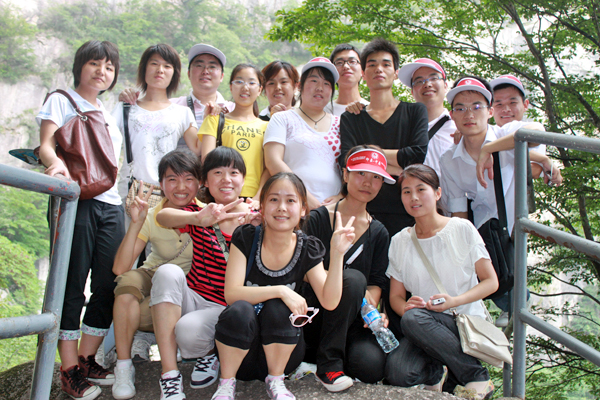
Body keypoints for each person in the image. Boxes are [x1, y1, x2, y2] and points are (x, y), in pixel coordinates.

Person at [210, 172, 355, 400]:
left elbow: (330, 301)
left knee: (279, 308)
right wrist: (281, 290)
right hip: (240, 353)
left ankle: (276, 381)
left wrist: (337, 254)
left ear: (303, 209)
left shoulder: (308, 247)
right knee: (240, 309)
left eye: (290, 200)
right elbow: (232, 294)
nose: (281, 208)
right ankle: (226, 383)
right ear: (262, 206)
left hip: (284, 355)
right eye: (274, 199)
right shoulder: (246, 237)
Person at [37, 40, 124, 400]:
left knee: (109, 281)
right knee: (72, 282)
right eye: (94, 63)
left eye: (109, 66)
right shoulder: (61, 100)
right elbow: (46, 144)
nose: (102, 71)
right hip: (78, 200)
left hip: (112, 203)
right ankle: (69, 368)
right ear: (80, 67)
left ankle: (87, 359)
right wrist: (55, 165)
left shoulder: (108, 110)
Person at [385, 164, 498, 399]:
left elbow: (490, 282)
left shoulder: (461, 228)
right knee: (398, 373)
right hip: (423, 326)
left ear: (437, 193)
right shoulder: (399, 241)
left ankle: (476, 375)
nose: (414, 197)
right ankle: (438, 374)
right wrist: (405, 307)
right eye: (406, 191)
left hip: (462, 321)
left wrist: (453, 301)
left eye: (421, 189)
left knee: (414, 319)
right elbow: (395, 296)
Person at [152, 147, 255, 400]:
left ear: (244, 179)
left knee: (188, 332)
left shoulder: (254, 217)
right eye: (217, 172)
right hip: (194, 297)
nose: (226, 179)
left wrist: (258, 226)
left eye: (234, 172)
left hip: (225, 307)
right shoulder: (202, 212)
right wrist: (199, 218)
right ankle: (170, 376)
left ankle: (210, 352)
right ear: (205, 182)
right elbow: (163, 216)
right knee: (166, 273)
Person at [110, 151, 201, 400]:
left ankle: (162, 348)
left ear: (199, 183)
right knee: (127, 283)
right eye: (172, 179)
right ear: (161, 183)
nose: (180, 187)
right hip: (153, 275)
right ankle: (123, 366)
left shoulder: (206, 214)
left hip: (189, 286)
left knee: (168, 282)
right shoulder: (151, 215)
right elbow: (120, 268)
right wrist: (136, 222)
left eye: (189, 179)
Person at [302, 145, 392, 391]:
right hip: (314, 313)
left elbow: (376, 282)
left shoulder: (379, 232)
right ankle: (328, 365)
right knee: (352, 279)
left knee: (370, 366)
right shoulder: (319, 218)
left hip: (351, 320)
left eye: (376, 177)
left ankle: (325, 360)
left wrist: (371, 306)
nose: (368, 183)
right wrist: (346, 281)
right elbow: (305, 273)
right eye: (361, 173)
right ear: (345, 174)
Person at [339, 38, 429, 237]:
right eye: (372, 64)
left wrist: (370, 155)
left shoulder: (415, 112)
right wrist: (399, 169)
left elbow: (417, 155)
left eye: (386, 64)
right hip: (362, 214)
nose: (379, 69)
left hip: (407, 212)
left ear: (396, 72)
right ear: (363, 74)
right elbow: (347, 160)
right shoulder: (351, 118)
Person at [112, 43, 201, 204]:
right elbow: (106, 144)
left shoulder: (183, 113)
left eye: (167, 66)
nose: (160, 70)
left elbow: (198, 149)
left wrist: (211, 119)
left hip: (166, 193)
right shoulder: (125, 108)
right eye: (154, 63)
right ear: (144, 68)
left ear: (174, 73)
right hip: (130, 191)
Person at [119, 44, 235, 152]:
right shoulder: (172, 107)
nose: (205, 71)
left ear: (222, 76)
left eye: (212, 66)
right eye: (199, 66)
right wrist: (127, 97)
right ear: (188, 74)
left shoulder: (234, 110)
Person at [264, 57, 343, 210]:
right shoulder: (282, 119)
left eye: (326, 83)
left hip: (333, 209)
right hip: (293, 207)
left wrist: (341, 195)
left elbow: (349, 166)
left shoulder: (341, 123)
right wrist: (304, 196)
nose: (320, 88)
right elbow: (273, 161)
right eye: (314, 81)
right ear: (300, 86)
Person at [198, 64, 269, 200]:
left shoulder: (268, 126)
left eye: (251, 83)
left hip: (254, 198)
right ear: (231, 87)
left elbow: (269, 167)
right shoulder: (214, 120)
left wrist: (258, 197)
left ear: (260, 89)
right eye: (239, 81)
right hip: (222, 194)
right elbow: (207, 160)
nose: (245, 87)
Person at [397, 58, 455, 178]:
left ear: (445, 86)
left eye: (434, 78)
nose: (427, 84)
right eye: (419, 81)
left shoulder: (459, 128)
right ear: (412, 92)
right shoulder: (400, 129)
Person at [325, 44, 369, 116]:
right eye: (339, 63)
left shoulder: (371, 110)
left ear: (362, 71)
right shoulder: (324, 111)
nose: (346, 66)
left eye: (352, 61)